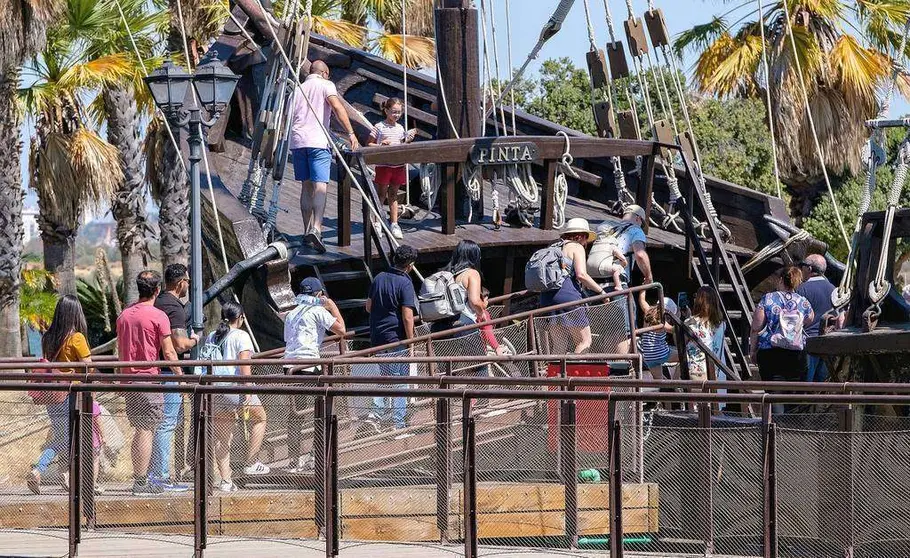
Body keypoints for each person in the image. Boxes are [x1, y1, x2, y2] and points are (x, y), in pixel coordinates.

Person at [290, 59, 360, 253]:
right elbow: (337, 108)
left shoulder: (297, 89)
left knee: (306, 186)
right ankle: (317, 228)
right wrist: (351, 133)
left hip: (298, 142)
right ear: (325, 73)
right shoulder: (325, 85)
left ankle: (306, 232)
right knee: (321, 185)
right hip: (317, 141)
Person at [28, 295, 93, 495]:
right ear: (75, 313)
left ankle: (66, 475)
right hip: (70, 396)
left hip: (52, 395)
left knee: (65, 436)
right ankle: (39, 469)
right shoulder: (77, 338)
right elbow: (88, 367)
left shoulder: (48, 337)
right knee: (67, 438)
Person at [204, 302, 271, 492]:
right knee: (260, 418)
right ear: (240, 317)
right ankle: (251, 462)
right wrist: (248, 391)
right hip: (235, 389)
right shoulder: (242, 336)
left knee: (223, 438)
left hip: (216, 389)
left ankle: (225, 481)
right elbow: (244, 366)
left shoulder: (212, 336)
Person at [284, 277, 345, 473]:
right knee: (323, 408)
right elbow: (341, 330)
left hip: (288, 366)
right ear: (319, 294)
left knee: (295, 414)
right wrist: (332, 306)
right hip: (309, 365)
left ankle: (294, 460)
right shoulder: (318, 311)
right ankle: (316, 454)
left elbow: (289, 340)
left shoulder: (291, 314)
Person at [150, 264, 198, 491]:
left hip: (151, 372)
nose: (189, 285)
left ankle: (151, 475)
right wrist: (194, 340)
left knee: (154, 425)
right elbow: (178, 345)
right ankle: (161, 476)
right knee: (166, 424)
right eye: (187, 281)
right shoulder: (175, 307)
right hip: (168, 373)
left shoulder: (156, 302)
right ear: (180, 283)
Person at [366, 245, 418, 431]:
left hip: (377, 338)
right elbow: (407, 316)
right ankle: (398, 424)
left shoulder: (379, 278)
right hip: (396, 339)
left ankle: (375, 415)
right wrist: (411, 341)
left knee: (385, 377)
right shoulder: (405, 282)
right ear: (410, 265)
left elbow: (368, 307)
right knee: (400, 381)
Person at [540, 218, 606, 354]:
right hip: (568, 299)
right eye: (586, 239)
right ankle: (575, 373)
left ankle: (555, 375)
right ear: (581, 236)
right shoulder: (577, 247)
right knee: (584, 341)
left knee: (559, 345)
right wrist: (601, 291)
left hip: (547, 299)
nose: (586, 243)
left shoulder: (553, 246)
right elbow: (581, 275)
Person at [605, 205, 654, 354]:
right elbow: (639, 254)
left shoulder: (610, 230)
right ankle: (622, 371)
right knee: (624, 330)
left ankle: (609, 368)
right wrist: (649, 276)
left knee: (608, 330)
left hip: (597, 285)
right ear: (638, 218)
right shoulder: (635, 230)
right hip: (617, 284)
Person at [367, 97, 416, 240]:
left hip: (398, 165)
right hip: (384, 166)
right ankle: (377, 221)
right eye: (394, 112)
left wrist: (408, 139)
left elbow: (400, 144)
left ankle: (394, 223)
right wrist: (381, 145)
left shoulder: (400, 128)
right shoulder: (379, 126)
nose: (396, 115)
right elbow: (369, 144)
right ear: (386, 111)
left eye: (399, 112)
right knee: (381, 194)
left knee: (394, 195)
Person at [796, 254, 835, 382]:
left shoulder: (800, 290)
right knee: (822, 388)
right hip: (829, 345)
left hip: (807, 345)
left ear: (809, 269)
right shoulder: (834, 291)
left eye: (802, 266)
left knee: (804, 388)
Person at [684, 287, 726, 381]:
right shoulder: (722, 324)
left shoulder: (690, 323)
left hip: (698, 372)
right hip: (718, 372)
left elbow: (681, 343)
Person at [637, 293, 678, 380]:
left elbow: (642, 300)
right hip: (662, 354)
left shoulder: (648, 311)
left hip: (648, 357)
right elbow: (674, 330)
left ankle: (672, 389)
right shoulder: (663, 321)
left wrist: (644, 286)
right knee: (685, 357)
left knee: (659, 380)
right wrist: (679, 318)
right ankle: (675, 381)